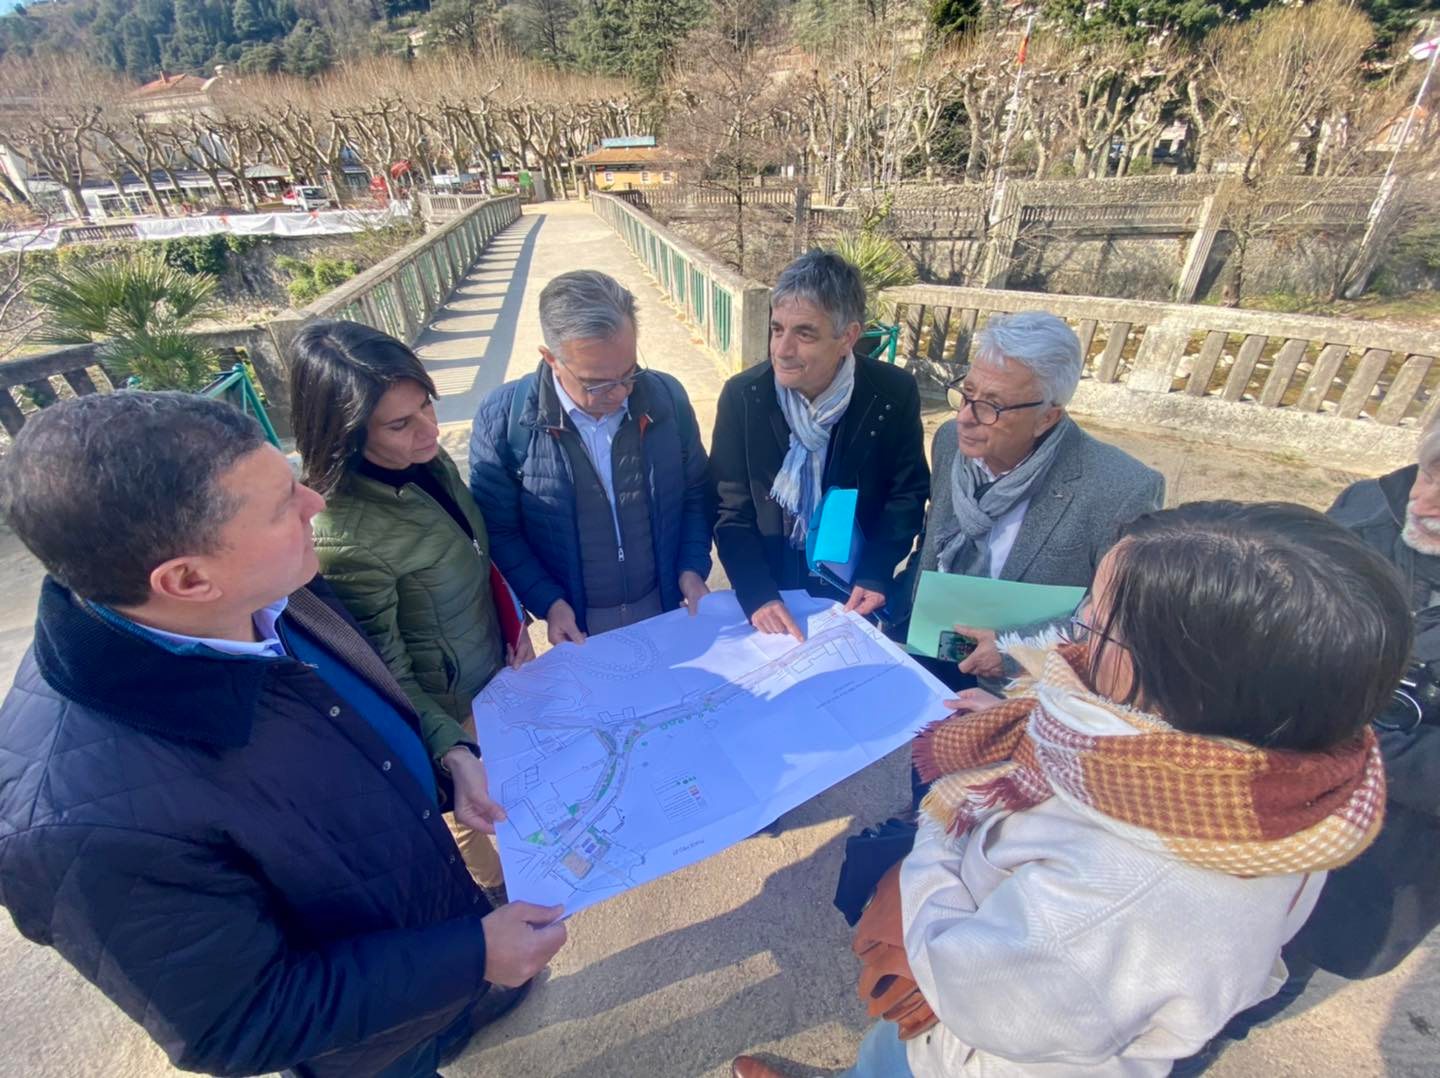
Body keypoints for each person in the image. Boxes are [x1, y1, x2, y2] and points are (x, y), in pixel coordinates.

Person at [735, 500, 1409, 1078]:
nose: (1071, 640)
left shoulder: (1134, 887)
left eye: (1094, 624)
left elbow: (969, 988)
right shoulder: (1294, 773)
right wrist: (1023, 735)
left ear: (1183, 685)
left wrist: (955, 803)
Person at [0, 393, 567, 1077]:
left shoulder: (268, 583)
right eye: (281, 506)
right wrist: (472, 956)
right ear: (185, 578)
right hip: (365, 1036)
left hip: (428, 926)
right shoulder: (75, 826)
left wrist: (446, 756)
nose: (316, 506)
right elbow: (239, 1021)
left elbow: (361, 699)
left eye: (292, 479)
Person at [1173, 418, 1440, 1073]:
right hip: (1249, 823)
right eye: (1432, 472)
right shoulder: (1366, 512)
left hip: (1374, 858)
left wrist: (1339, 732)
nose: (1425, 502)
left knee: (1265, 983)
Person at [289, 320, 535, 908]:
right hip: (447, 708)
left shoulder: (425, 461)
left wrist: (514, 620)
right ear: (346, 434)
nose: (430, 430)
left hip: (493, 669)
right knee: (473, 810)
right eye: (401, 423)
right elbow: (386, 674)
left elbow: (473, 555)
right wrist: (450, 746)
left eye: (427, 406)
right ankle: (490, 895)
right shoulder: (343, 532)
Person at [916, 311, 1163, 688]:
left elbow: (1119, 621)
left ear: (1047, 417)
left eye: (992, 406)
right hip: (934, 649)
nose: (966, 417)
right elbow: (935, 537)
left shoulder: (1122, 488)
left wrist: (1013, 651)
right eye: (967, 393)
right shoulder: (951, 441)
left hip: (1024, 687)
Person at [469, 269, 714, 642]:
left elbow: (696, 493)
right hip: (576, 626)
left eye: (629, 373)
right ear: (551, 358)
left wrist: (691, 568)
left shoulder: (667, 399)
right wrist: (548, 602)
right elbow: (500, 531)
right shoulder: (503, 418)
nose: (619, 393)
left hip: (663, 608)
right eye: (596, 383)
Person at [711, 250, 929, 640]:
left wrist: (877, 571)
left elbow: (906, 494)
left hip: (851, 594)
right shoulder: (743, 397)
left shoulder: (892, 394)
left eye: (804, 333)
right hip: (769, 593)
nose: (782, 349)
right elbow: (730, 509)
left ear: (848, 337)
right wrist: (756, 593)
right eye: (777, 329)